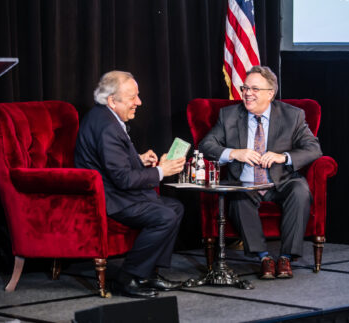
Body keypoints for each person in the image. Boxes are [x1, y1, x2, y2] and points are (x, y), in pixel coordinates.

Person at [199, 66, 322, 280]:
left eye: (254, 88)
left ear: (270, 93)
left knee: (300, 189)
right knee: (237, 195)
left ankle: (285, 257)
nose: (247, 93)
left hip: (281, 182)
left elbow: (313, 148)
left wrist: (283, 157)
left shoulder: (292, 115)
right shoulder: (228, 115)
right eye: (245, 87)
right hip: (245, 183)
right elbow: (206, 145)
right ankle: (263, 257)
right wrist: (234, 153)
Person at [75, 70, 186, 298]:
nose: (139, 102)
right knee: (165, 216)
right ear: (112, 101)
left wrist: (139, 159)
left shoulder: (105, 117)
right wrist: (160, 171)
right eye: (132, 97)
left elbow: (112, 162)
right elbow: (123, 179)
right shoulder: (107, 127)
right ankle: (128, 277)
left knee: (175, 207)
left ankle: (149, 274)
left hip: (116, 192)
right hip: (109, 200)